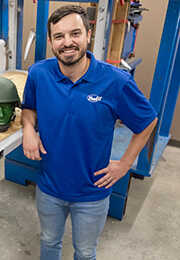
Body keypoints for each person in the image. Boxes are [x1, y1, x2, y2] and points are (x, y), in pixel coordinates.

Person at [21, 5, 157, 260]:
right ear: (50, 41)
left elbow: (147, 120)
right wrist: (28, 128)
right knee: (49, 242)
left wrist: (126, 163)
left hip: (92, 193)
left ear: (88, 35)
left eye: (75, 33)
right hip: (49, 187)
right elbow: (29, 108)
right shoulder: (39, 74)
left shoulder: (116, 82)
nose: (67, 42)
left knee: (85, 252)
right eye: (59, 36)